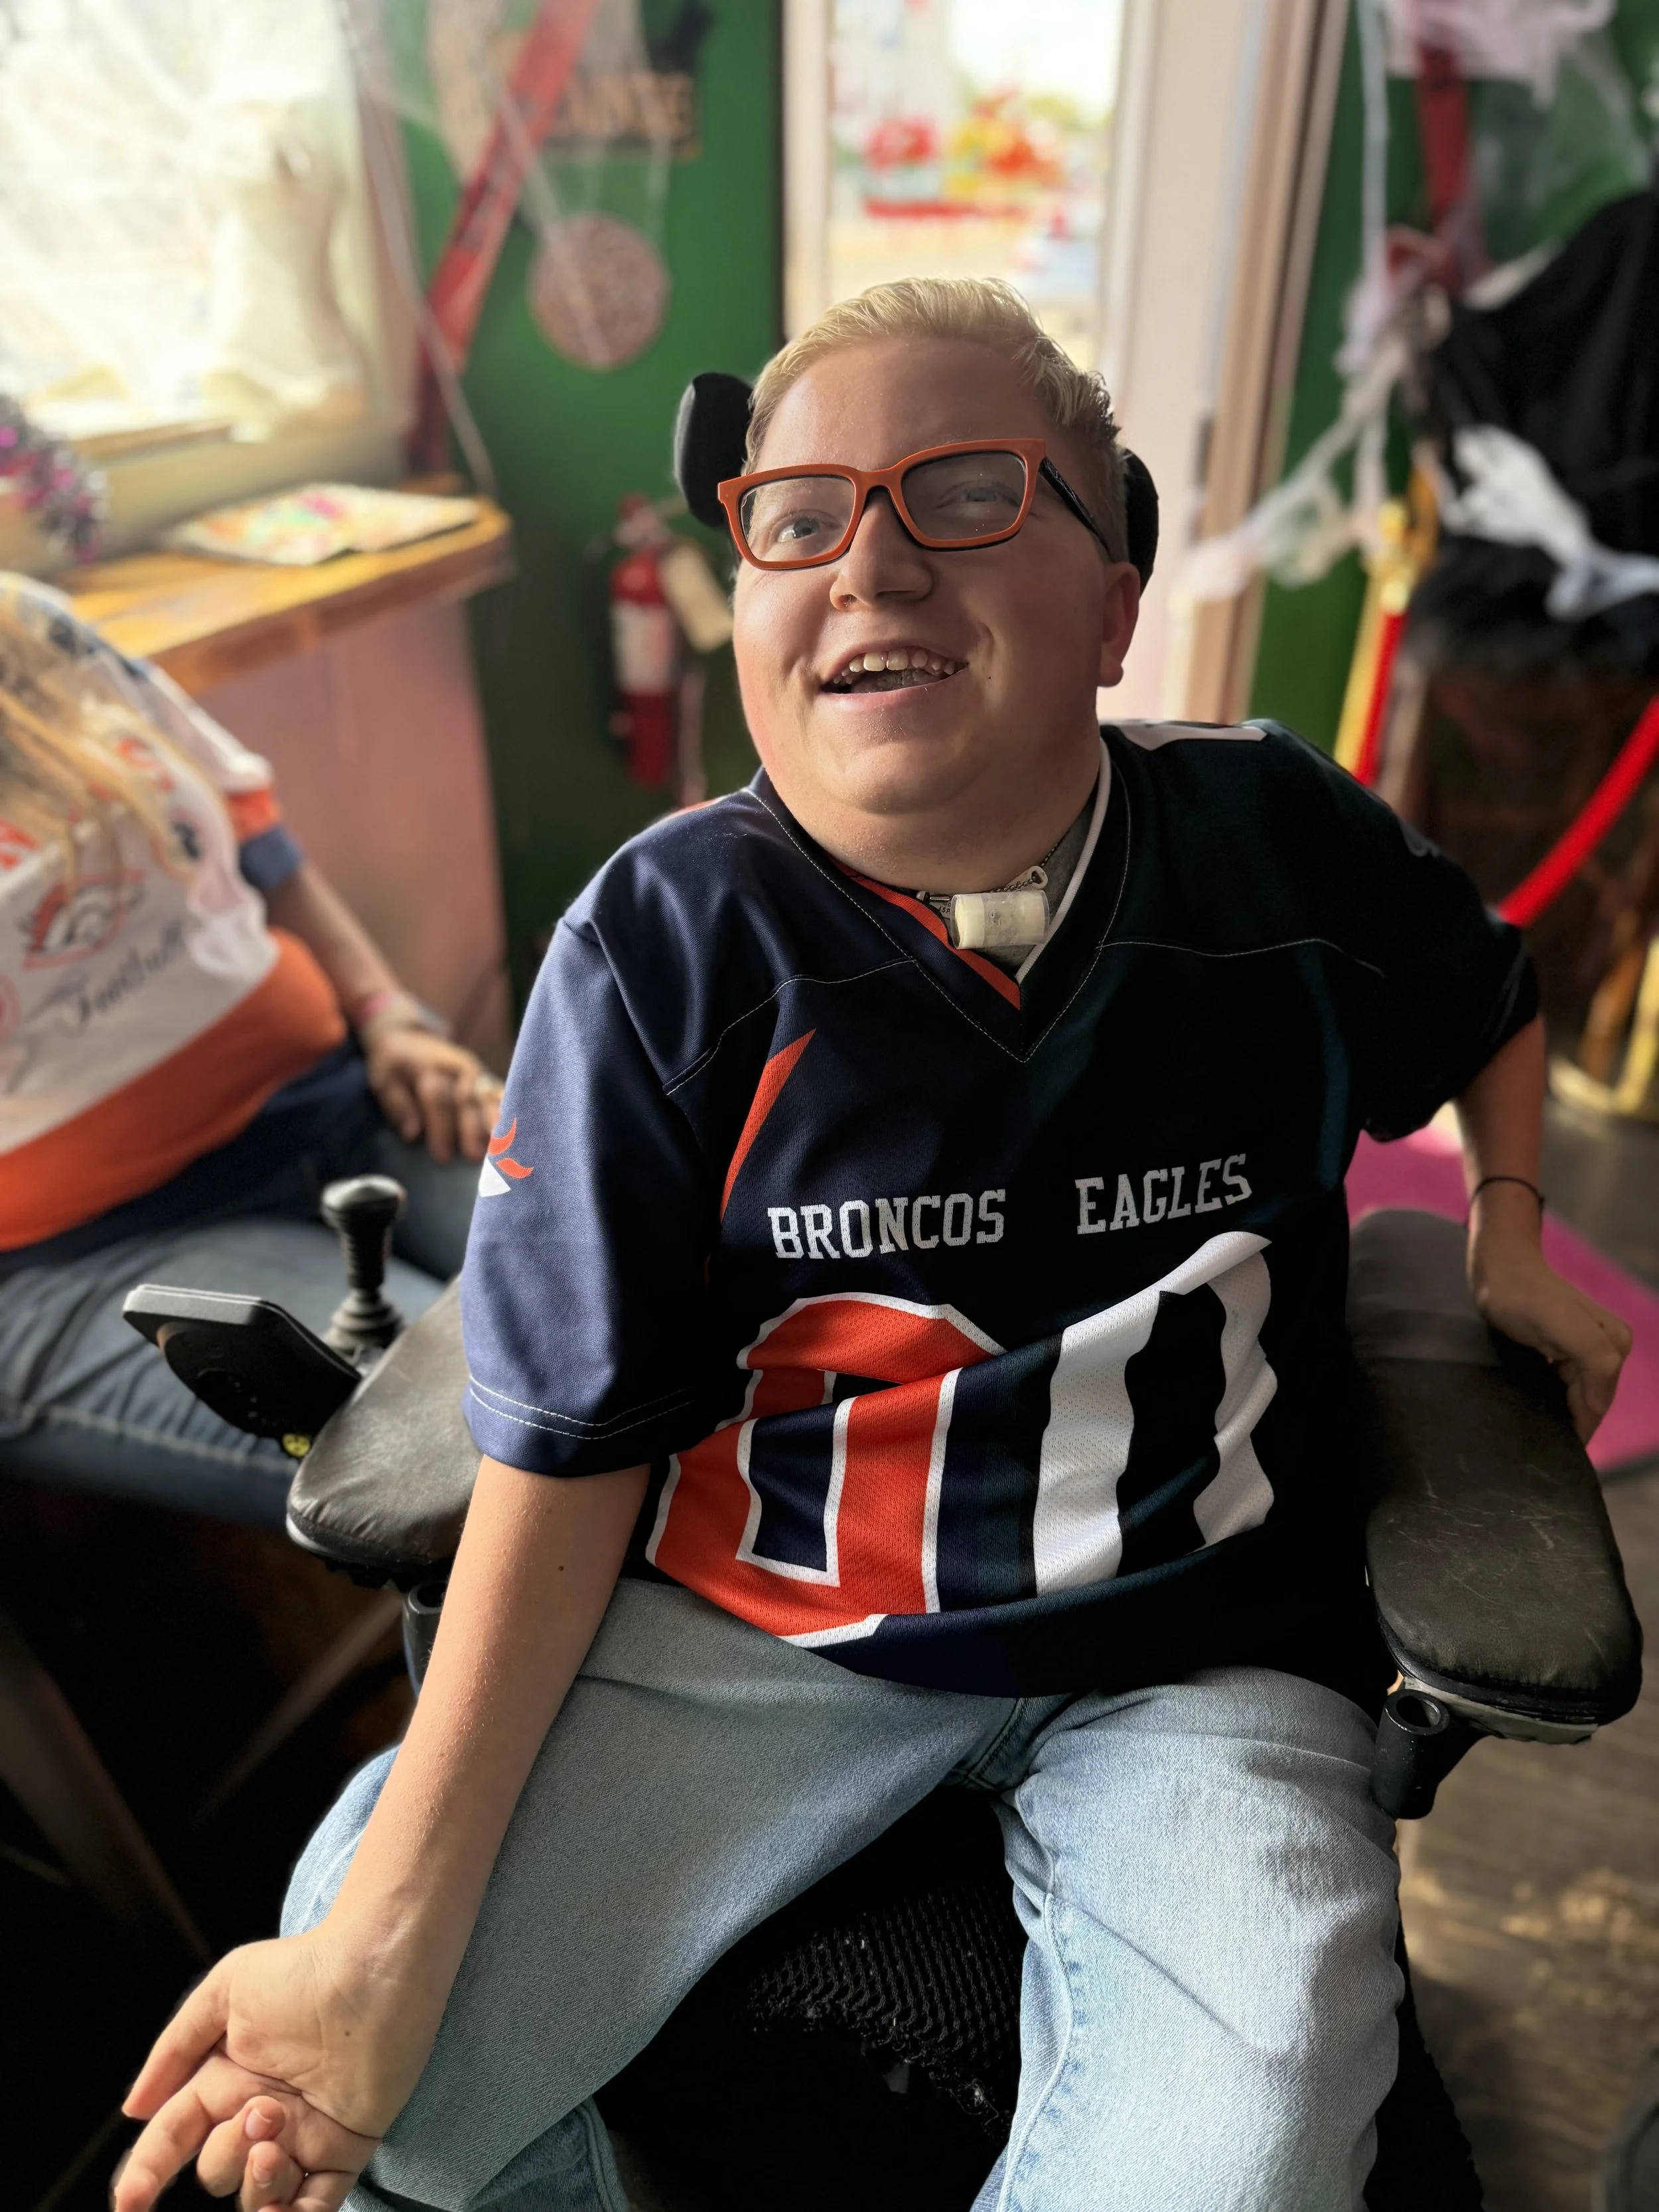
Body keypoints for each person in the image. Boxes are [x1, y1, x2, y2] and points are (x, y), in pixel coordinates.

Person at [115, 278, 1630, 2212]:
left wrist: (1503, 1223)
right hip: (755, 1628)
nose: (876, 560)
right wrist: (384, 1944)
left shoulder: (1273, 847)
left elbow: (1485, 994)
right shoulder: (663, 949)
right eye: (801, 512)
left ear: (1110, 602)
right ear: (745, 603)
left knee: (1235, 2166)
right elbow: (563, 1450)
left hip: (1193, 1652)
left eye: (969, 492)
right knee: (366, 2098)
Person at [0, 575, 498, 1525]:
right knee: (482, 1466)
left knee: (678, 1304)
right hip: (109, 1252)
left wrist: (387, 1013)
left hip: (348, 1108)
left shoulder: (28, 626)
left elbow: (257, 843)